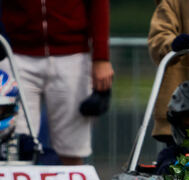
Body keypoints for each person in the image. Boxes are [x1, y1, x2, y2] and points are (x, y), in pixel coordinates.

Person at [1, 0, 114, 165]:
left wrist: (101, 58)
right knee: (14, 148)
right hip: (15, 54)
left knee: (72, 148)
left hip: (73, 56)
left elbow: (98, 3)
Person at [148, 0, 189, 146]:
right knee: (172, 163)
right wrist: (173, 45)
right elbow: (158, 38)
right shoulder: (172, 3)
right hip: (177, 118)